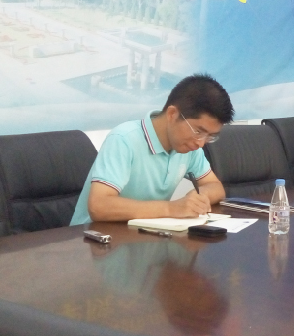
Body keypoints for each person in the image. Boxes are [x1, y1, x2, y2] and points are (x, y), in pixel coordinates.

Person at [71, 74, 232, 226]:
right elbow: (99, 206)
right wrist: (171, 208)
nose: (201, 143)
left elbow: (215, 187)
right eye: (198, 131)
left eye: (210, 136)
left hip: (141, 236)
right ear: (172, 114)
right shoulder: (124, 139)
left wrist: (200, 197)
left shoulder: (190, 147)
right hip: (92, 238)